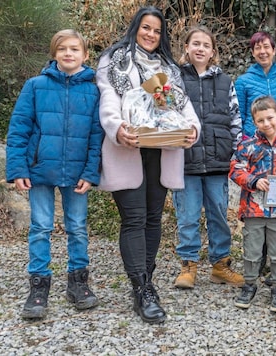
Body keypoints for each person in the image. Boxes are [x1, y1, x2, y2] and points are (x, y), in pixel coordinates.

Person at [96, 6, 201, 324]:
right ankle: (141, 288)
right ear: (135, 27)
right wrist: (116, 128)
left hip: (162, 148)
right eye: (146, 27)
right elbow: (108, 96)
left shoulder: (169, 66)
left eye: (157, 30)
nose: (151, 34)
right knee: (134, 218)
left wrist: (192, 128)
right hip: (128, 146)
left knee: (153, 218)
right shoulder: (116, 58)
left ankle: (146, 281)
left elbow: (181, 103)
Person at [6, 29, 103, 319]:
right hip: (39, 170)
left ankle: (78, 282)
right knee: (40, 227)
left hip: (77, 173)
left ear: (85, 54)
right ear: (54, 54)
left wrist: (91, 172)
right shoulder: (35, 86)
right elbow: (19, 128)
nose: (69, 53)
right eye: (63, 49)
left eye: (75, 49)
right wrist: (18, 168)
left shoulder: (94, 90)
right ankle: (38, 285)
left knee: (77, 227)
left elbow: (97, 136)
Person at [172, 26, 244, 289]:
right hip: (186, 161)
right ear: (187, 48)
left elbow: (235, 119)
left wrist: (236, 152)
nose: (200, 48)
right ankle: (188, 266)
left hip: (217, 160)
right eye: (196, 44)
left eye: (206, 45)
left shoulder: (225, 82)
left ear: (213, 51)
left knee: (219, 215)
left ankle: (220, 265)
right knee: (188, 216)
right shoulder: (175, 79)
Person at [229, 96, 276, 313]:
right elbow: (235, 169)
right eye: (261, 121)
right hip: (253, 210)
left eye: (270, 118)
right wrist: (254, 181)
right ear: (254, 122)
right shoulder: (246, 146)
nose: (266, 124)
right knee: (252, 251)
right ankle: (249, 284)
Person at [235, 31, 276, 138]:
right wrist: (244, 139)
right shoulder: (243, 82)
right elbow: (238, 116)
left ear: (274, 50)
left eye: (266, 47)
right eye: (258, 48)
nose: (262, 51)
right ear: (253, 53)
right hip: (252, 140)